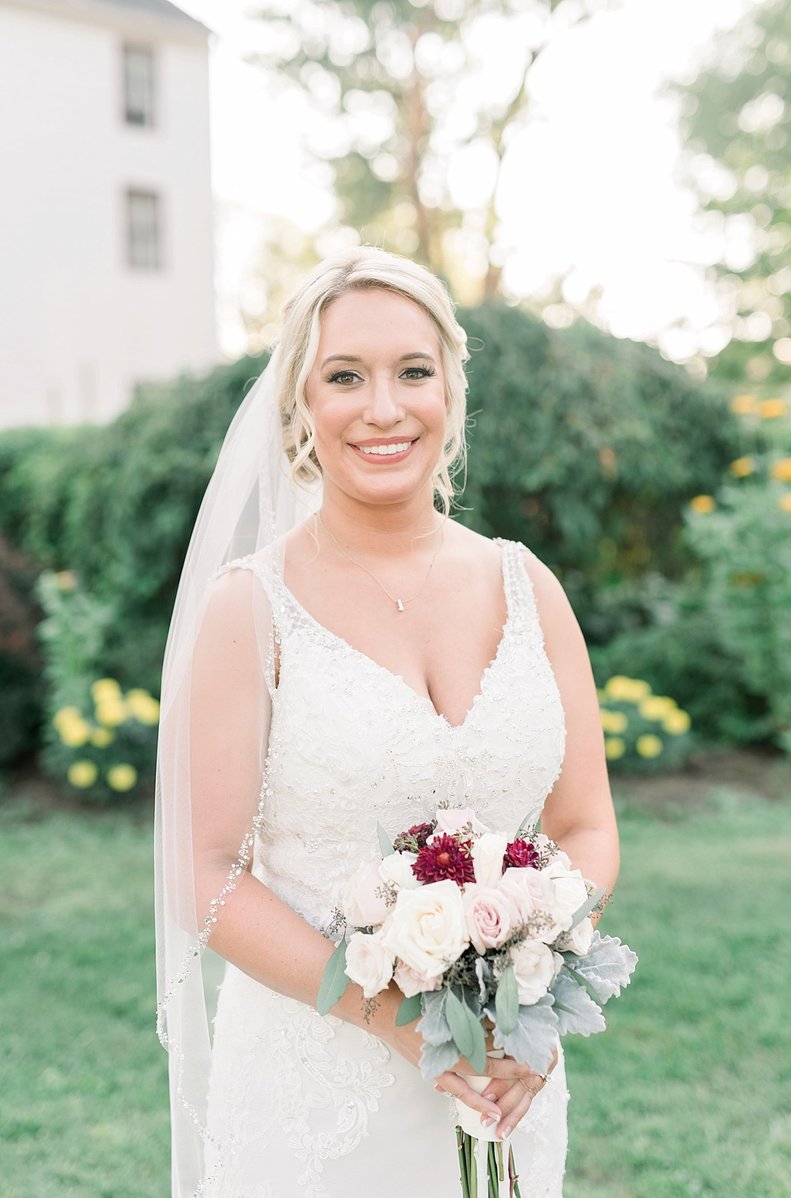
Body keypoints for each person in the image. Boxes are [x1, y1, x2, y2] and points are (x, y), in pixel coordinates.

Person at [155, 246, 620, 1198]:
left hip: (506, 1081)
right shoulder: (250, 608)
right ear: (301, 404)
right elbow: (204, 877)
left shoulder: (528, 587)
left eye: (413, 371)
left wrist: (540, 994)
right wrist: (400, 1020)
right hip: (314, 1094)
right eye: (344, 377)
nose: (383, 407)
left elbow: (584, 829)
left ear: (450, 387)